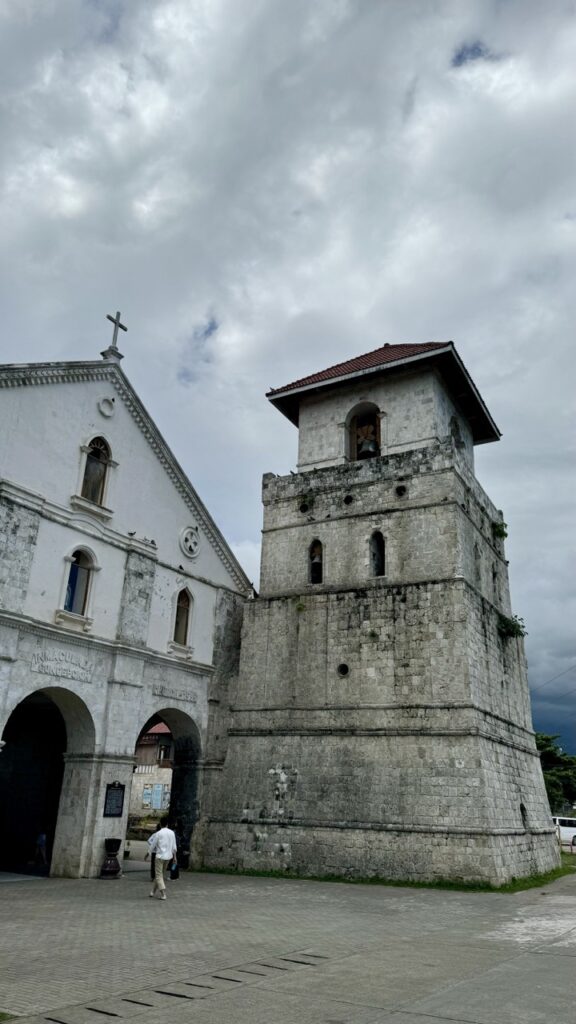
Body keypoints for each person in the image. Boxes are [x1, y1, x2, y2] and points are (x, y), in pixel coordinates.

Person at [147, 816, 177, 900]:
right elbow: (174, 846)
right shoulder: (172, 833)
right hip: (168, 857)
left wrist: (148, 853)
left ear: (160, 824)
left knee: (159, 876)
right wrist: (175, 857)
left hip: (160, 857)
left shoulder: (158, 833)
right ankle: (152, 891)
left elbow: (152, 845)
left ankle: (163, 894)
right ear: (167, 824)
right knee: (160, 875)